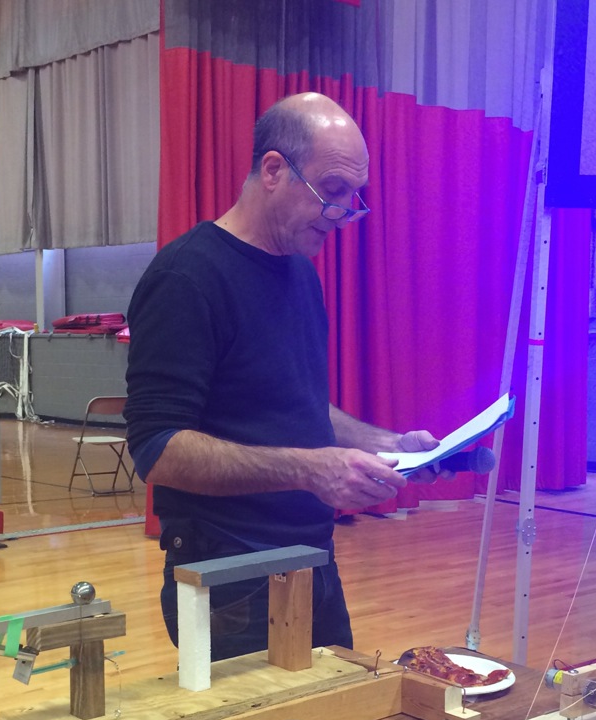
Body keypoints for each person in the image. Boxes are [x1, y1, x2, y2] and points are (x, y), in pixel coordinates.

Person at [124, 92, 442, 661]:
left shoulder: (299, 272)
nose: (342, 214)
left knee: (340, 714)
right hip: (228, 576)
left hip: (312, 560)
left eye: (352, 197)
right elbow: (158, 449)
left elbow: (296, 405)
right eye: (332, 191)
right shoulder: (186, 278)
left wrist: (389, 445)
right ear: (273, 170)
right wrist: (308, 469)